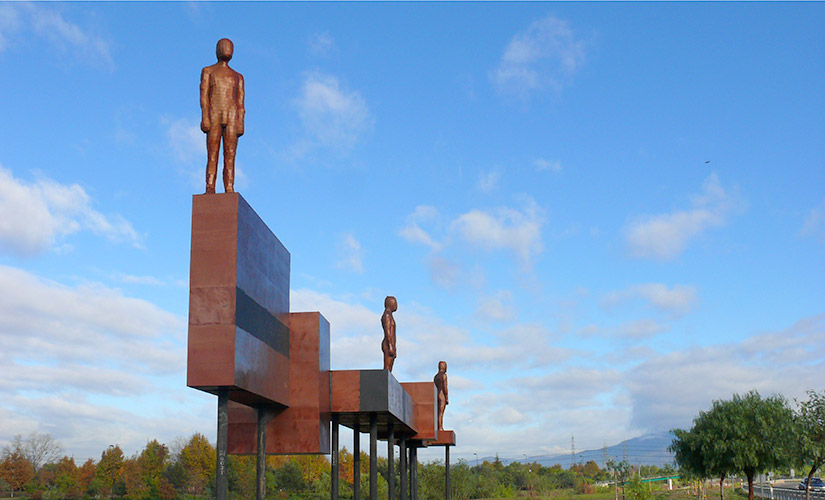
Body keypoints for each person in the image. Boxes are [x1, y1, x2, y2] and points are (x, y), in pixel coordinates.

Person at [200, 38, 245, 194]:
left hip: (231, 116)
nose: (227, 49)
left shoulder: (238, 76)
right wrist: (205, 116)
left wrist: (240, 122)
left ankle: (229, 187)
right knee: (212, 154)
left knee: (230, 155)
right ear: (217, 49)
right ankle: (210, 186)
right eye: (224, 46)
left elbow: (240, 103)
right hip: (214, 114)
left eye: (230, 47)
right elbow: (204, 96)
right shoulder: (208, 71)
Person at [381, 296, 397, 371]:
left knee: (390, 368)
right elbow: (388, 332)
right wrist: (390, 346)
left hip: (391, 344)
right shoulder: (387, 315)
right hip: (388, 343)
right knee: (387, 367)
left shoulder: (390, 315)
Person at [434, 361, 449, 431]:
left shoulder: (436, 376)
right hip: (441, 394)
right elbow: (445, 387)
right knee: (441, 413)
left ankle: (438, 427)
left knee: (437, 412)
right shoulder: (444, 376)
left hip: (436, 394)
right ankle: (440, 427)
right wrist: (446, 398)